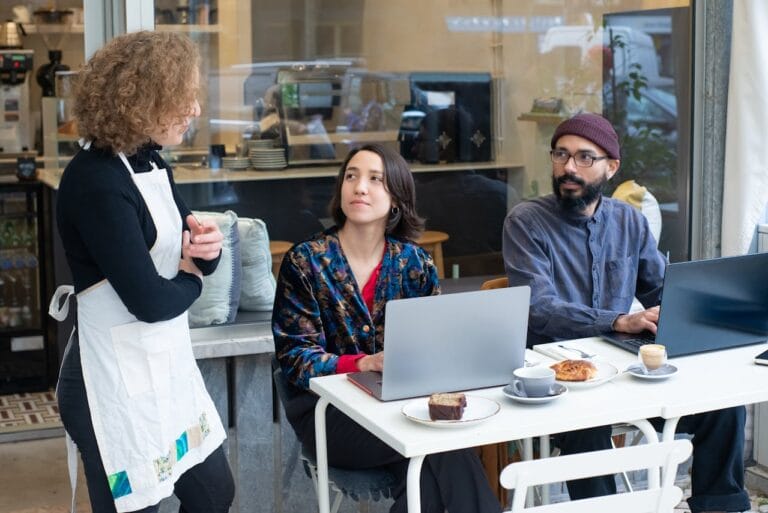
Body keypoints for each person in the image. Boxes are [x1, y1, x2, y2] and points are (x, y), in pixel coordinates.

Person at [502, 112, 749, 513]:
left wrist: (716, 308)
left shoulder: (629, 221)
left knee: (723, 407)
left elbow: (660, 290)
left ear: (611, 167)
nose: (568, 167)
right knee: (587, 427)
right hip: (558, 378)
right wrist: (617, 321)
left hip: (624, 369)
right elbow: (537, 309)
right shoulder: (527, 222)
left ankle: (722, 508)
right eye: (561, 155)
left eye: (584, 158)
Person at [52, 31, 234, 513]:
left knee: (215, 495)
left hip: (164, 370)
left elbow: (181, 252)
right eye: (183, 96)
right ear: (141, 100)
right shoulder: (94, 181)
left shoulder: (149, 163)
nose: (194, 109)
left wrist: (206, 251)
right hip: (106, 385)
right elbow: (151, 302)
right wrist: (194, 277)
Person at [272, 143, 501, 513]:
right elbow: (296, 358)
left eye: (375, 179)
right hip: (330, 413)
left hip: (405, 403)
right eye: (351, 176)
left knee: (427, 475)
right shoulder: (305, 262)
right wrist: (362, 363)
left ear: (396, 198)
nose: (360, 187)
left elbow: (437, 344)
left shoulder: (415, 262)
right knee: (443, 445)